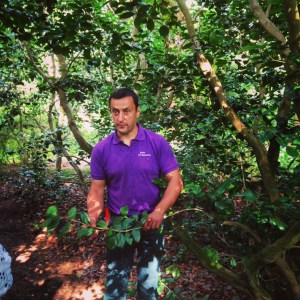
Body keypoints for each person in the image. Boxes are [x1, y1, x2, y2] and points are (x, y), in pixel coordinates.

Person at [87, 88, 183, 300]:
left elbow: (176, 181)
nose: (120, 118)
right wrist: (93, 217)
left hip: (151, 222)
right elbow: (96, 188)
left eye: (126, 111)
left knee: (148, 287)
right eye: (115, 112)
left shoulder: (156, 143)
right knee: (114, 286)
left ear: (137, 111)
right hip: (119, 225)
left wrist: (159, 211)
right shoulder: (102, 149)